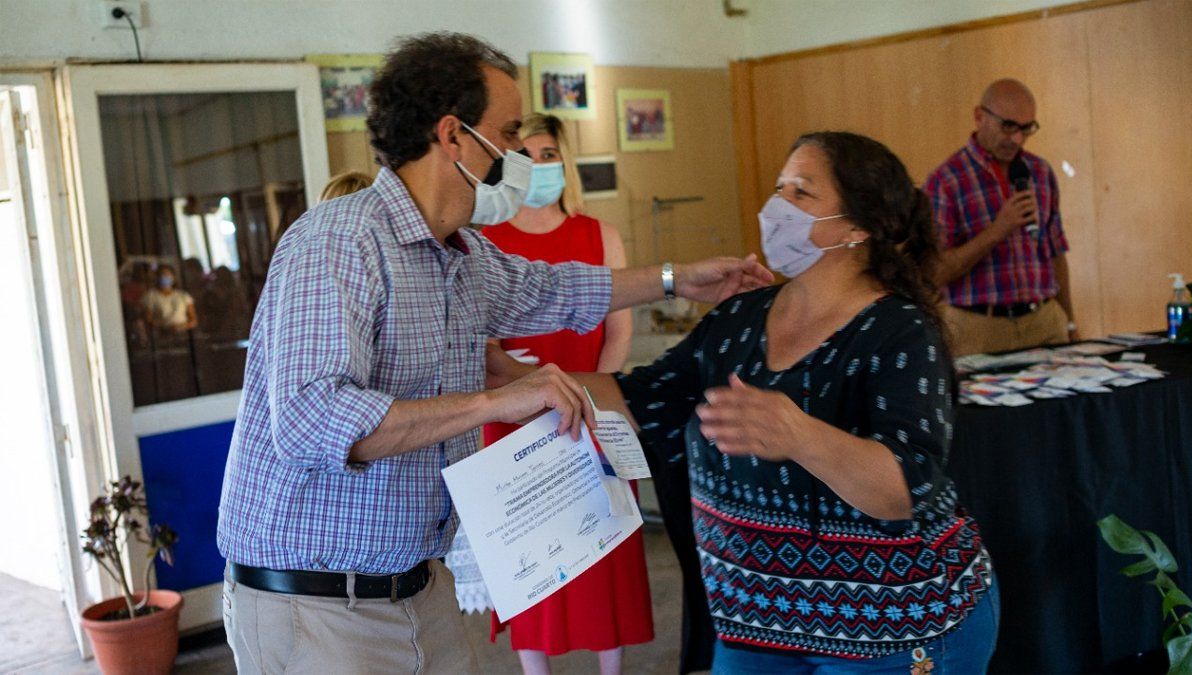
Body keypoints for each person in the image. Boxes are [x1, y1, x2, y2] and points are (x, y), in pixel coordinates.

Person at [216, 32, 772, 675]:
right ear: (453, 137)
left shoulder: (458, 253)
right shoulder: (339, 243)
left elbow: (557, 287)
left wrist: (676, 279)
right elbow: (313, 422)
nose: (518, 156)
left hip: (417, 588)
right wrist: (498, 398)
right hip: (316, 605)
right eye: (507, 134)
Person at [489, 131, 999, 673]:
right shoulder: (740, 317)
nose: (777, 206)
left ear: (857, 226)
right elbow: (640, 398)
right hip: (756, 622)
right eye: (778, 188)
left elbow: (905, 489)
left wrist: (801, 437)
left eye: (801, 193)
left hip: (890, 629)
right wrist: (522, 377)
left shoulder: (899, 331)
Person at [481, 113, 650, 674]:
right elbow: (474, 333)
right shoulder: (485, 241)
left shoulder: (599, 234)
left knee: (604, 545)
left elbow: (619, 328)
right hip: (513, 415)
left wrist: (592, 397)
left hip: (592, 408)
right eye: (527, 153)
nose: (541, 163)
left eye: (550, 152)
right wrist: (506, 371)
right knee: (529, 551)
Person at [924, 78, 1078, 356]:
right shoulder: (945, 181)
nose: (1017, 139)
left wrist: (1069, 321)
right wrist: (998, 230)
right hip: (977, 328)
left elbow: (1055, 253)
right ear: (979, 116)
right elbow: (933, 272)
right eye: (1008, 126)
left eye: (1026, 128)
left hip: (1044, 322)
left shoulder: (1040, 172)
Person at [140, 263, 197, 333]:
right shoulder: (150, 296)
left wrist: (181, 327)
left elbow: (193, 320)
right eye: (161, 275)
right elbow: (148, 320)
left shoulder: (183, 295)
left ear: (174, 277)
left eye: (167, 275)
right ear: (157, 277)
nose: (164, 277)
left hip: (183, 333)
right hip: (161, 334)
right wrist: (164, 329)